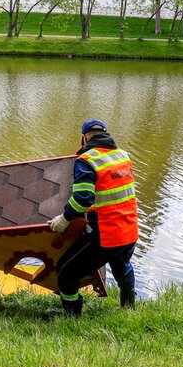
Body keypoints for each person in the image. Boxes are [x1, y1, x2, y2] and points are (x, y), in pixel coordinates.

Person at [48, 119, 138, 317]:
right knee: (122, 266)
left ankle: (71, 317)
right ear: (105, 134)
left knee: (66, 272)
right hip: (130, 228)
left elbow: (83, 198)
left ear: (84, 138)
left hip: (108, 233)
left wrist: (64, 218)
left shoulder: (86, 161)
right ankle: (129, 308)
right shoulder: (123, 155)